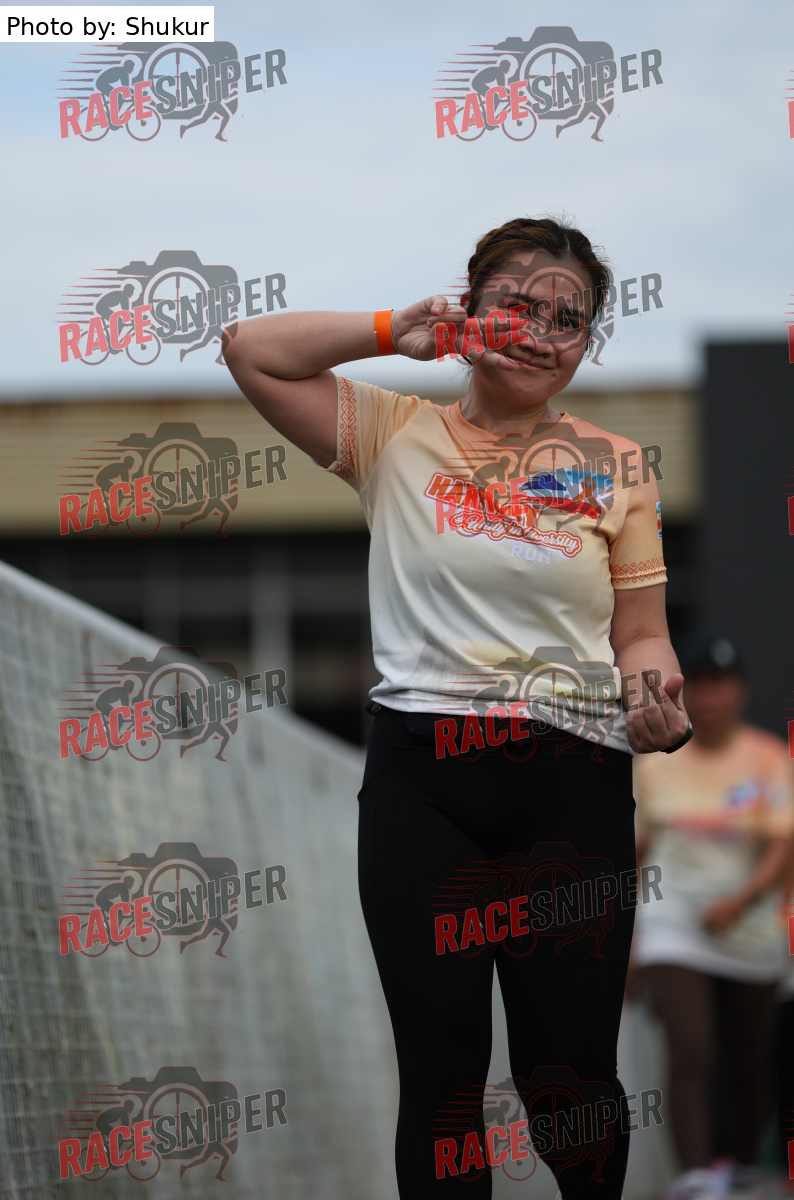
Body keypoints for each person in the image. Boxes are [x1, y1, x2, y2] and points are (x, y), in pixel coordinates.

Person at [223, 216, 690, 1199]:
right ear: (469, 307)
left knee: (567, 1080)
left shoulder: (618, 465)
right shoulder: (392, 431)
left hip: (572, 785)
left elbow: (641, 635)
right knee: (442, 1080)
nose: (540, 331)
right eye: (516, 304)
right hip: (423, 786)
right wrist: (391, 330)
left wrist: (653, 693)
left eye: (567, 319)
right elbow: (248, 348)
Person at [632, 635, 794, 1200]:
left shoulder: (770, 758)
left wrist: (740, 902)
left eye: (719, 684)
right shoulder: (653, 765)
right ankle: (696, 1179)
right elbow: (636, 855)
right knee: (691, 1048)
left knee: (748, 1063)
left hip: (749, 931)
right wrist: (624, 942)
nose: (708, 697)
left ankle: (743, 1165)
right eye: (697, 684)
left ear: (740, 691)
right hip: (672, 924)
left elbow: (781, 846)